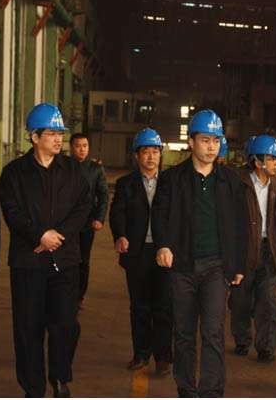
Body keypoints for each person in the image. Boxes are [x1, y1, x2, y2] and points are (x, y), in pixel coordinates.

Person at [152, 110, 248, 397]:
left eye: (216, 141)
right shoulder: (172, 179)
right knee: (183, 332)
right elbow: (159, 215)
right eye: (205, 140)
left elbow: (241, 225)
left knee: (213, 331)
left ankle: (212, 390)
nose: (211, 147)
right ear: (191, 142)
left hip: (217, 267)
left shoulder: (231, 181)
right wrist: (163, 245)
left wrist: (238, 265)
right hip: (182, 266)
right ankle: (186, 388)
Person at [0, 103, 90, 398]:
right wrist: (39, 235)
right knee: (28, 329)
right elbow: (12, 211)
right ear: (34, 137)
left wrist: (57, 236)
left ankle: (60, 378)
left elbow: (83, 207)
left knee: (66, 324)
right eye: (51, 133)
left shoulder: (74, 171)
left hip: (65, 261)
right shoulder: (14, 173)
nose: (58, 139)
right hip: (28, 262)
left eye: (60, 133)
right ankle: (33, 387)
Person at [109, 128, 173, 376]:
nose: (151, 156)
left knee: (164, 307)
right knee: (139, 307)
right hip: (136, 253)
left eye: (155, 151)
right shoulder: (125, 184)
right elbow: (117, 213)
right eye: (146, 151)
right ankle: (141, 354)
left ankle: (163, 358)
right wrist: (120, 235)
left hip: (163, 253)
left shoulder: (170, 184)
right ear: (136, 156)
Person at [229, 134, 276, 363]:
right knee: (241, 300)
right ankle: (242, 340)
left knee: (267, 302)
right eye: (272, 158)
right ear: (258, 161)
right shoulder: (238, 183)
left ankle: (266, 347)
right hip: (244, 249)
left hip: (268, 250)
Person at [69, 133, 109, 307]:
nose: (82, 149)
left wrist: (99, 218)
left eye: (85, 146)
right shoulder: (63, 166)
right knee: (64, 259)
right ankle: (64, 294)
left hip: (86, 223)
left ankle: (79, 296)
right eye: (78, 146)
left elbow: (103, 195)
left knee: (83, 260)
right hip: (65, 223)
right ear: (71, 147)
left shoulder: (95, 169)